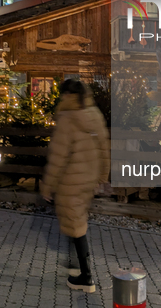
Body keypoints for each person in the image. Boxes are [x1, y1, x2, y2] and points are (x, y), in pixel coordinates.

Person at [41, 79, 110, 293]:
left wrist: (47, 184)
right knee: (75, 220)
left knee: (76, 226)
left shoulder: (67, 118)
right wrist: (102, 176)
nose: (61, 98)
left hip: (71, 180)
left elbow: (59, 156)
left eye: (63, 95)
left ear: (69, 96)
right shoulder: (94, 114)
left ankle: (86, 277)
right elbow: (103, 147)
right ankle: (74, 266)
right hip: (87, 179)